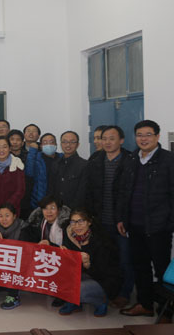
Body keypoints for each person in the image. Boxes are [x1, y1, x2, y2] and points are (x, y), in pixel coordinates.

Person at [119, 120, 174, 318]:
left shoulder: (168, 160)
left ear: (157, 136)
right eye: (139, 135)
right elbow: (124, 192)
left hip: (159, 227)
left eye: (148, 134)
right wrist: (122, 219)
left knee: (162, 269)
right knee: (140, 266)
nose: (143, 139)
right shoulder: (131, 159)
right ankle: (145, 304)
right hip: (135, 225)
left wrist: (169, 223)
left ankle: (166, 311)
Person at [84, 125, 135, 308]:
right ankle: (105, 291)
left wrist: (125, 219)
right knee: (104, 259)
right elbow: (89, 191)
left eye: (112, 138)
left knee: (125, 260)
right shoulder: (96, 160)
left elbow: (132, 194)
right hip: (100, 221)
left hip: (122, 222)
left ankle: (124, 293)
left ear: (121, 140)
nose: (107, 142)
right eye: (103, 138)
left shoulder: (131, 161)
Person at [59, 208, 122, 317]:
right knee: (58, 280)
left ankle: (100, 302)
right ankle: (76, 302)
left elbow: (104, 272)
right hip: (84, 275)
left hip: (104, 280)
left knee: (77, 289)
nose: (77, 226)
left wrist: (87, 264)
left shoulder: (101, 240)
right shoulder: (69, 236)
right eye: (73, 222)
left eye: (81, 221)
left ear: (89, 222)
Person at [0, 203, 28, 309]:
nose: (4, 219)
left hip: (21, 264)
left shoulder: (24, 228)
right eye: (1, 216)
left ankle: (14, 296)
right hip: (4, 263)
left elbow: (25, 252)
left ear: (14, 216)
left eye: (7, 215)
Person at [47, 131, 87, 209]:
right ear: (61, 144)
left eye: (72, 142)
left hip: (75, 211)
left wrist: (71, 211)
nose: (68, 145)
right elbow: (51, 189)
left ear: (78, 144)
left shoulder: (84, 165)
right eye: (64, 142)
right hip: (57, 209)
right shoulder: (55, 164)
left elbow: (82, 193)